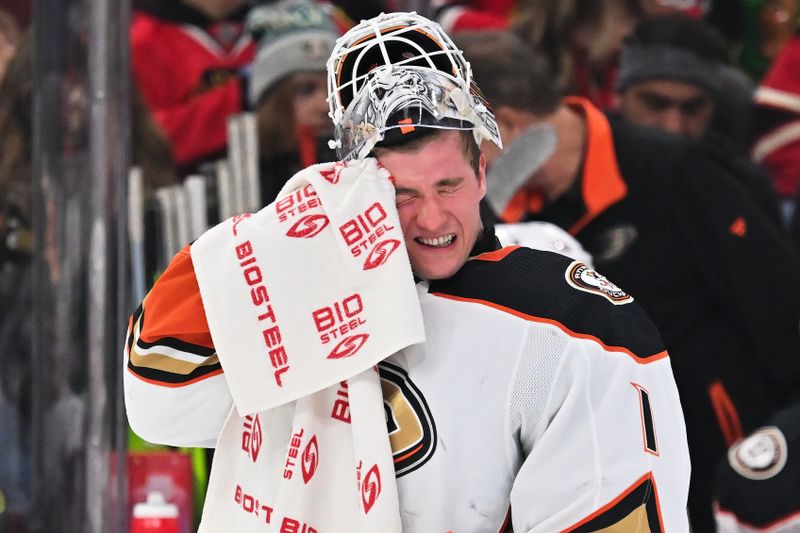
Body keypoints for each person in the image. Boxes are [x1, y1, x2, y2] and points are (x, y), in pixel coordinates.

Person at [124, 12, 691, 531]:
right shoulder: (299, 301)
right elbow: (158, 399)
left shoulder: (567, 320)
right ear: (353, 189)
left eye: (448, 185)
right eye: (401, 195)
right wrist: (273, 239)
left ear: (483, 173)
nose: (433, 217)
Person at [456, 29, 800, 531]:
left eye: (458, 147)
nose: (452, 172)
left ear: (502, 126)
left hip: (727, 479)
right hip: (609, 483)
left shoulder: (678, 171)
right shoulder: (497, 216)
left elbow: (779, 312)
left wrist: (773, 458)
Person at [615, 13, 784, 227]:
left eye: (692, 108)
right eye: (655, 104)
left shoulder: (742, 188)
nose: (673, 126)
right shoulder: (575, 175)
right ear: (619, 97)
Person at [131, 0, 256, 174]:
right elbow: (147, 142)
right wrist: (241, 96)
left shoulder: (280, 23)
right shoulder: (141, 41)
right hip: (186, 189)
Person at [246, 0, 340, 205]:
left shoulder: (369, 170)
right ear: (274, 100)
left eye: (334, 87)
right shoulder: (243, 183)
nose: (325, 105)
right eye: (306, 89)